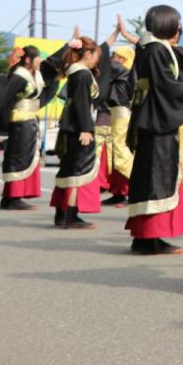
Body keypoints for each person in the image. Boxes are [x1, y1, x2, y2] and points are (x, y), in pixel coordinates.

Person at [123, 7, 183, 255]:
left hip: (152, 118)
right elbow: (165, 85)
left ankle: (149, 236)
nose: (179, 28)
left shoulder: (153, 46)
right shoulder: (155, 50)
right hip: (156, 120)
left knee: (154, 177)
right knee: (156, 178)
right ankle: (148, 237)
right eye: (177, 24)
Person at [0, 44, 64, 210]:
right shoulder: (19, 77)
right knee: (19, 157)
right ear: (28, 60)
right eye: (37, 56)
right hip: (20, 120)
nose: (40, 59)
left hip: (29, 120)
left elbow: (51, 65)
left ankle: (11, 197)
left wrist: (71, 44)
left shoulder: (35, 75)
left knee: (26, 155)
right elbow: (2, 97)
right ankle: (12, 198)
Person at [50, 36, 103, 229]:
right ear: (87, 53)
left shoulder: (75, 72)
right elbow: (82, 103)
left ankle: (62, 214)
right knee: (76, 172)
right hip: (78, 128)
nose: (97, 59)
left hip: (70, 126)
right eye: (96, 55)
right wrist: (87, 129)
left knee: (68, 169)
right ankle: (69, 216)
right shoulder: (82, 74)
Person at [100, 43, 136, 207]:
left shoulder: (124, 72)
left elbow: (105, 62)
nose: (114, 59)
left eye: (116, 56)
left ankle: (130, 191)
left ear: (123, 59)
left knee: (122, 154)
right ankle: (118, 192)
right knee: (115, 154)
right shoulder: (121, 73)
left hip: (122, 117)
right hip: (116, 116)